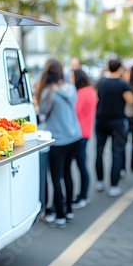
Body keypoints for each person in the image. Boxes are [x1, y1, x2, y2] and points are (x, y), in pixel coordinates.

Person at [36, 58, 81, 228]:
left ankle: (59, 215)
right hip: (74, 136)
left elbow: (43, 114)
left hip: (58, 140)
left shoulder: (48, 92)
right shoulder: (70, 88)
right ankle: (68, 210)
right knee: (68, 174)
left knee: (56, 177)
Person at [94, 58, 133, 197]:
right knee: (116, 153)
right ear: (120, 69)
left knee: (99, 151)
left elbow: (96, 97)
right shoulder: (122, 85)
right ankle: (114, 185)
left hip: (101, 121)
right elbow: (131, 100)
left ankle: (99, 181)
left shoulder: (101, 82)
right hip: (117, 121)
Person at [71, 68, 97, 209]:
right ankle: (83, 195)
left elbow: (75, 111)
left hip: (79, 133)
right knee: (82, 165)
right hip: (86, 131)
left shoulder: (81, 93)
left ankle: (83, 196)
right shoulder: (89, 90)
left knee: (81, 165)